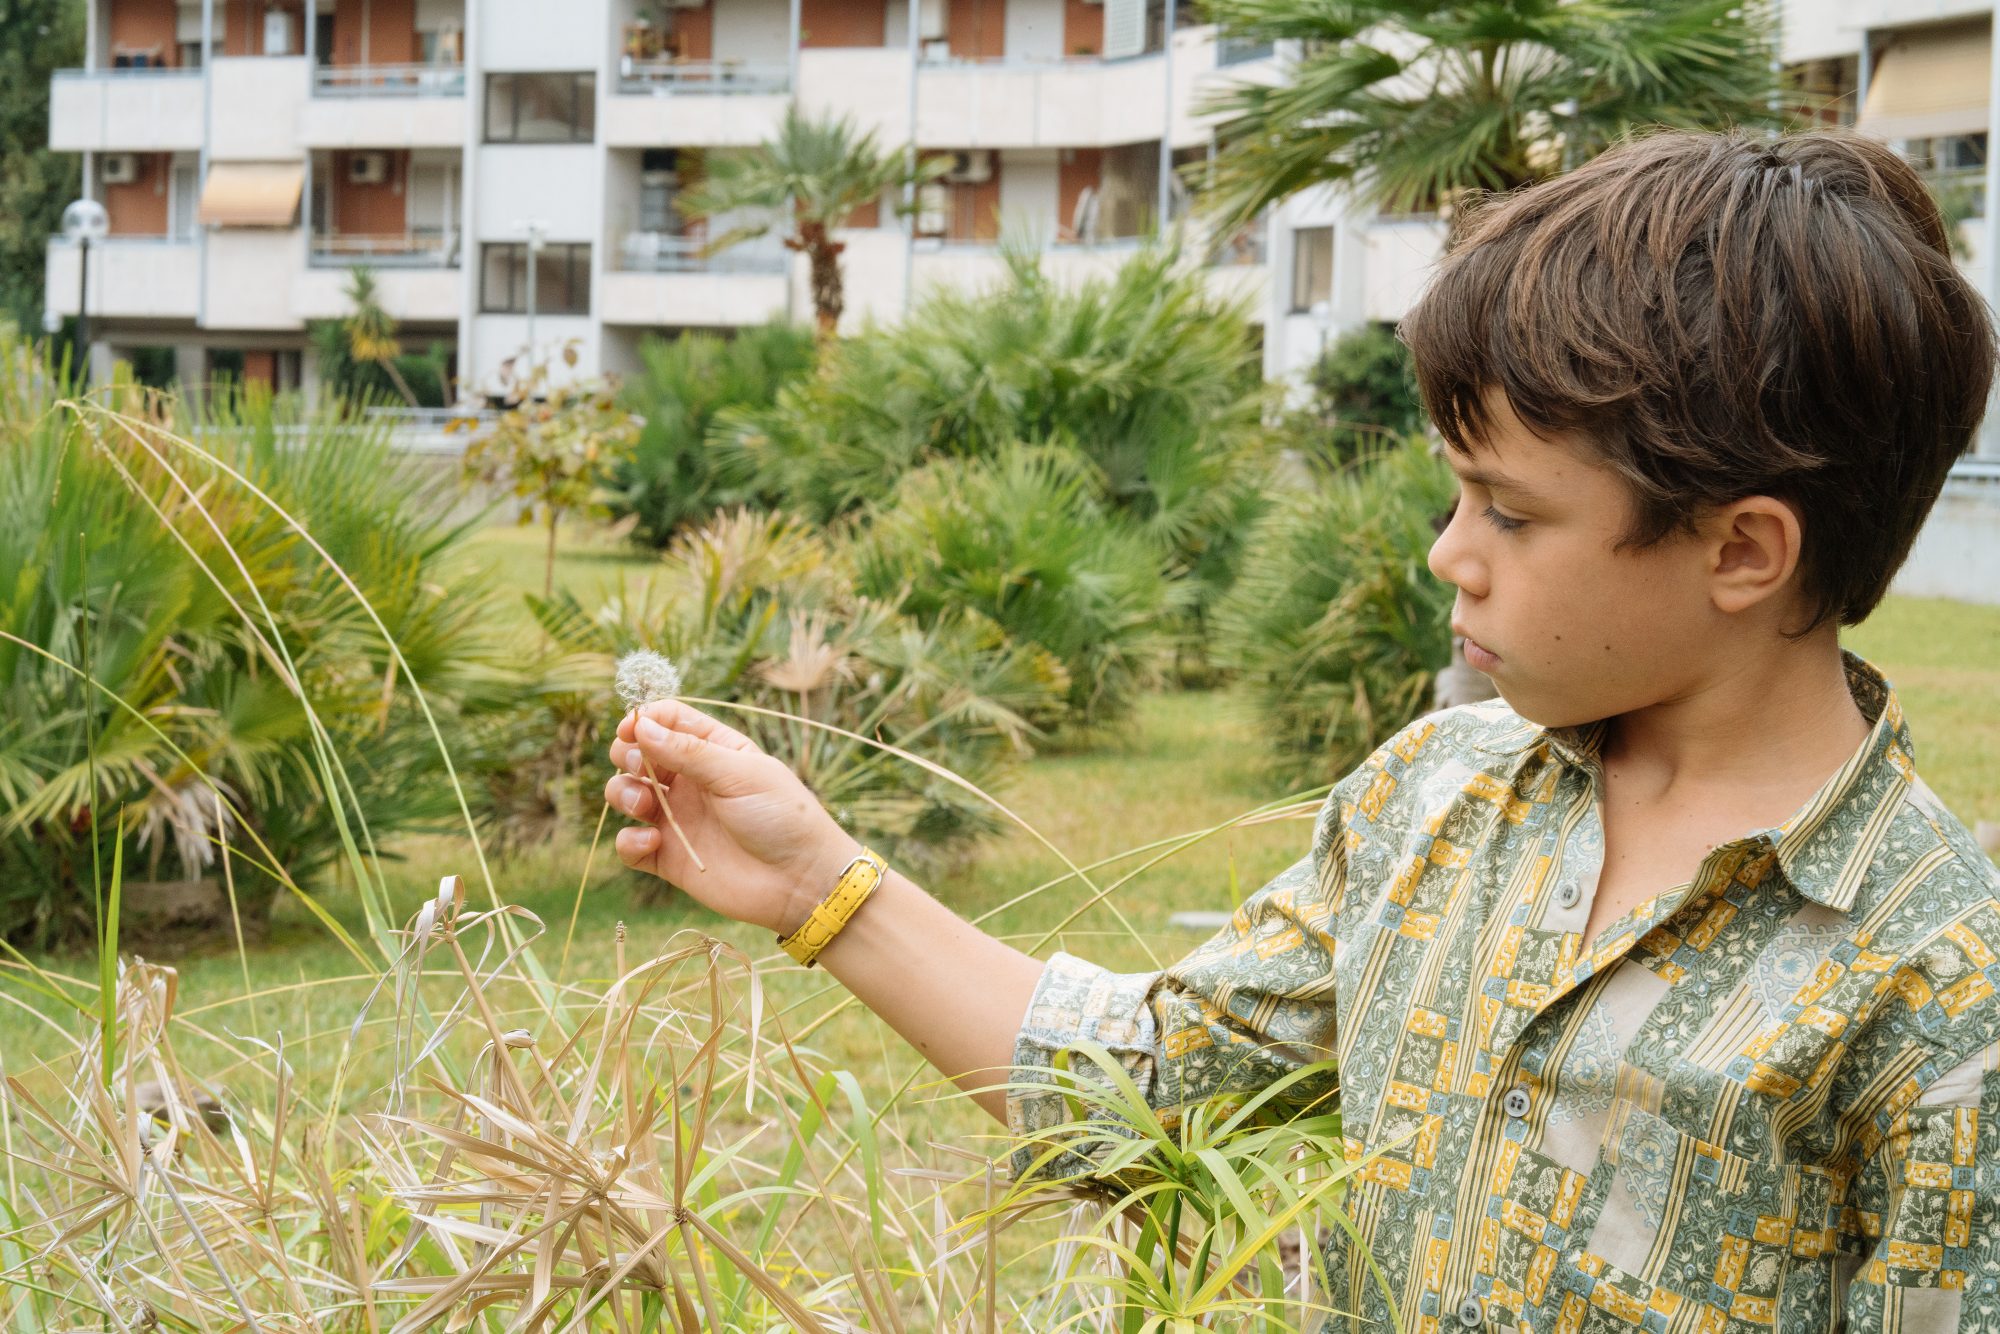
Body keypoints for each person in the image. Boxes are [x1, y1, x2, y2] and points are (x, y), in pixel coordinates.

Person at [603, 129, 2000, 1331]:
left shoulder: (1940, 987)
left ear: (1743, 550)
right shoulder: (1431, 803)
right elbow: (1147, 1094)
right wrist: (815, 883)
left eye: (1510, 511)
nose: (1452, 554)